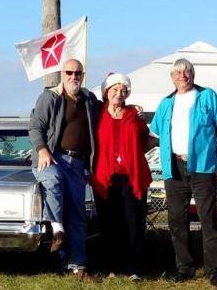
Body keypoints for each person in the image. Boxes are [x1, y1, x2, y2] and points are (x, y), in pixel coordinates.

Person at [149, 58, 217, 287]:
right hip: (174, 167)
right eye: (177, 73)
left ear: (193, 75)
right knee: (177, 220)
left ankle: (214, 271)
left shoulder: (207, 96)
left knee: (208, 219)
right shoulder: (166, 103)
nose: (182, 76)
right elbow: (152, 137)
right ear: (172, 77)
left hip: (203, 166)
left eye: (187, 72)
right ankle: (184, 268)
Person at [29, 58, 100, 282]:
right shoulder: (50, 97)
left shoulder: (89, 99)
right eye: (69, 72)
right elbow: (35, 126)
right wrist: (42, 150)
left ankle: (78, 265)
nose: (73, 77)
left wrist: (133, 107)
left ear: (83, 74)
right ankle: (57, 229)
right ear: (62, 74)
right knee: (54, 181)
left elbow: (108, 111)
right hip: (52, 157)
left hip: (78, 164)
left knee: (77, 215)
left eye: (78, 73)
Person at [91, 73, 156, 281]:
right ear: (106, 92)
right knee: (110, 221)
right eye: (114, 90)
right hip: (106, 176)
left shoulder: (133, 116)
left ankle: (133, 268)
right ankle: (112, 267)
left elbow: (149, 139)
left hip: (132, 176)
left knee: (133, 221)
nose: (119, 94)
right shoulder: (97, 114)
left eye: (123, 91)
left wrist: (134, 154)